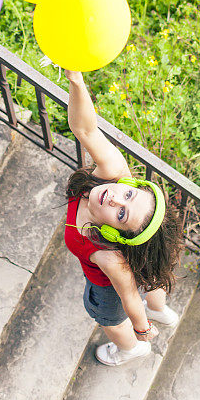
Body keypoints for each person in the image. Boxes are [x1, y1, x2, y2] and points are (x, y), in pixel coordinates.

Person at [64, 69, 185, 366]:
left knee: (109, 320)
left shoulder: (108, 256)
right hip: (132, 266)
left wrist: (142, 329)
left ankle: (131, 349)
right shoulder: (114, 172)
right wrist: (77, 82)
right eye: (129, 195)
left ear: (116, 234)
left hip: (106, 290)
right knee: (151, 276)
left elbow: (129, 297)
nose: (115, 197)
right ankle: (160, 308)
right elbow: (86, 130)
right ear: (130, 185)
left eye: (121, 214)